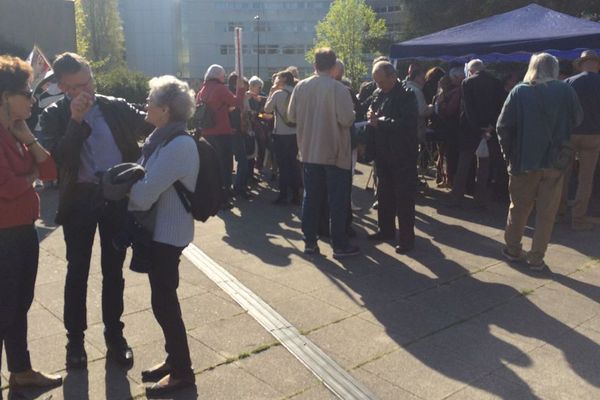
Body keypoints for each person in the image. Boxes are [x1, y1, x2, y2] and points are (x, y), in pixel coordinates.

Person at [40, 52, 151, 369]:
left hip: (115, 199)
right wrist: (75, 121)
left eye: (89, 80)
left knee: (113, 272)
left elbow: (148, 121)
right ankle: (75, 341)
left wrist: (174, 105)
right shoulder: (54, 115)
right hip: (79, 202)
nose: (87, 89)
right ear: (64, 87)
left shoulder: (112, 105)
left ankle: (114, 336)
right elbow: (57, 160)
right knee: (77, 272)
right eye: (78, 85)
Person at [127, 75, 198, 397]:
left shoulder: (178, 144)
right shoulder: (162, 138)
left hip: (168, 234)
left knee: (165, 303)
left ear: (166, 110)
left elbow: (143, 194)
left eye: (150, 101)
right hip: (160, 231)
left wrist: (122, 191)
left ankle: (182, 373)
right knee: (162, 300)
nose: (146, 105)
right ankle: (173, 359)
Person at [0, 55, 62, 390]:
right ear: (5, 96)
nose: (33, 98)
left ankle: (21, 370)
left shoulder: (17, 132)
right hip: (4, 236)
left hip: (23, 231)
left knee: (19, 303)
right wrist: (30, 176)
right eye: (27, 91)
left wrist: (31, 143)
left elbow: (50, 172)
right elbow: (6, 188)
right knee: (4, 308)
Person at [497, 53, 583, 271]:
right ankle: (536, 257)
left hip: (523, 161)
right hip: (555, 162)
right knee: (547, 212)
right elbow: (578, 119)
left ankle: (513, 249)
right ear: (554, 69)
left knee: (518, 208)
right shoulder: (566, 90)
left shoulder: (519, 91)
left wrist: (509, 154)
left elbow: (503, 127)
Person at [287, 48, 359, 258]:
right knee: (337, 201)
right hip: (334, 152)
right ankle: (339, 244)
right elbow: (347, 119)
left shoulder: (301, 87)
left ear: (314, 65)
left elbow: (291, 116)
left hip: (309, 150)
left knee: (311, 198)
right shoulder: (338, 89)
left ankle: (310, 242)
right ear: (334, 65)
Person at [367, 61, 419, 254]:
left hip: (402, 154)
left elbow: (407, 123)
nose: (378, 85)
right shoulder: (379, 94)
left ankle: (407, 239)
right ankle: (385, 229)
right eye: (376, 82)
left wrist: (380, 122)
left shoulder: (406, 94)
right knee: (384, 194)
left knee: (404, 199)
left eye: (381, 81)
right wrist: (371, 115)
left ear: (392, 76)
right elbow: (372, 111)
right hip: (383, 152)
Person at [450, 59, 505, 208]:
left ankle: (457, 197)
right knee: (485, 165)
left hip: (470, 129)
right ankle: (481, 199)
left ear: (471, 70)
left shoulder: (467, 83)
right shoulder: (497, 83)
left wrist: (478, 128)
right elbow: (501, 107)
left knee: (464, 163)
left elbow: (468, 109)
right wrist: (490, 127)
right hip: (490, 129)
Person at [196, 64, 245, 209]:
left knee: (213, 167)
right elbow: (238, 102)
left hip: (207, 133)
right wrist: (241, 89)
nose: (224, 78)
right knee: (225, 166)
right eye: (223, 75)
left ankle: (214, 197)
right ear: (218, 75)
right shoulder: (220, 88)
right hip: (222, 132)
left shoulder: (202, 90)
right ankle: (224, 198)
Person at [562, 50, 600, 231]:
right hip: (594, 135)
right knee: (586, 178)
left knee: (563, 175)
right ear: (597, 65)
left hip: (570, 133)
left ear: (581, 64)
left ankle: (558, 212)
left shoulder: (569, 82)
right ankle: (578, 218)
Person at [264, 70, 301, 205]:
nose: (276, 80)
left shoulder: (278, 94)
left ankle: (283, 195)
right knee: (294, 165)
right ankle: (296, 195)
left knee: (283, 166)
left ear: (284, 79)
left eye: (278, 78)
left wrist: (271, 92)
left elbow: (267, 109)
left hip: (281, 134)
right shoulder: (298, 93)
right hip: (296, 133)